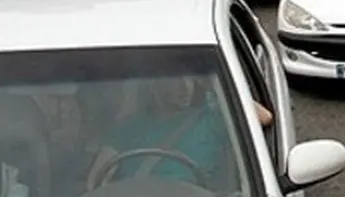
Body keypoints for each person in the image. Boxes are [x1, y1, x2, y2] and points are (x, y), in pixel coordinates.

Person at [88, 77, 274, 189]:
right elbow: (98, 179)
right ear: (154, 86)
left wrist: (218, 86)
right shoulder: (129, 127)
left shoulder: (212, 117)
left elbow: (263, 116)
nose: (185, 87)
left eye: (190, 79)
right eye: (176, 81)